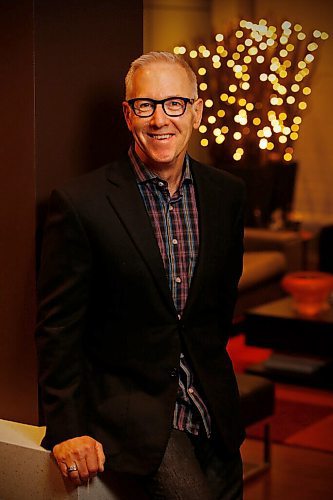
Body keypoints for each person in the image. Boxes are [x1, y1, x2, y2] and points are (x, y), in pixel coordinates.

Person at [36, 51, 246, 499]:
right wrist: (66, 427)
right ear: (128, 115)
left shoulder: (227, 195)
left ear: (196, 111)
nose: (160, 120)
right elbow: (58, 329)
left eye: (174, 104)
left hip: (213, 410)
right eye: (145, 105)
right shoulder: (81, 203)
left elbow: (218, 309)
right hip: (136, 417)